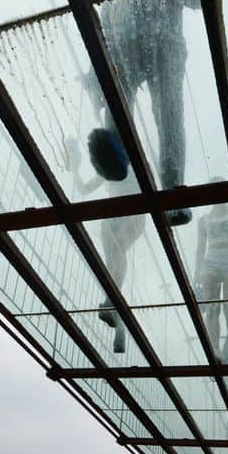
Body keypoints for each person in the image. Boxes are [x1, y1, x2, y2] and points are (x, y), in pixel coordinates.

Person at [85, 0, 200, 227]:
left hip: (166, 45)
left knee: (169, 113)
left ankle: (173, 192)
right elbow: (110, 24)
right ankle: (115, 152)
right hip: (130, 45)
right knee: (118, 95)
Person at [69, 138, 141, 354]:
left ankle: (114, 304)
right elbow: (84, 188)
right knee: (112, 261)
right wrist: (75, 164)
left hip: (132, 212)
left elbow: (144, 188)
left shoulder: (134, 163)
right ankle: (115, 307)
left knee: (118, 251)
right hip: (112, 216)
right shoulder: (108, 167)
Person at [193, 192, 228, 359]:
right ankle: (215, 350)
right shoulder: (203, 220)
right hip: (211, 259)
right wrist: (196, 273)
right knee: (211, 308)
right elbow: (200, 248)